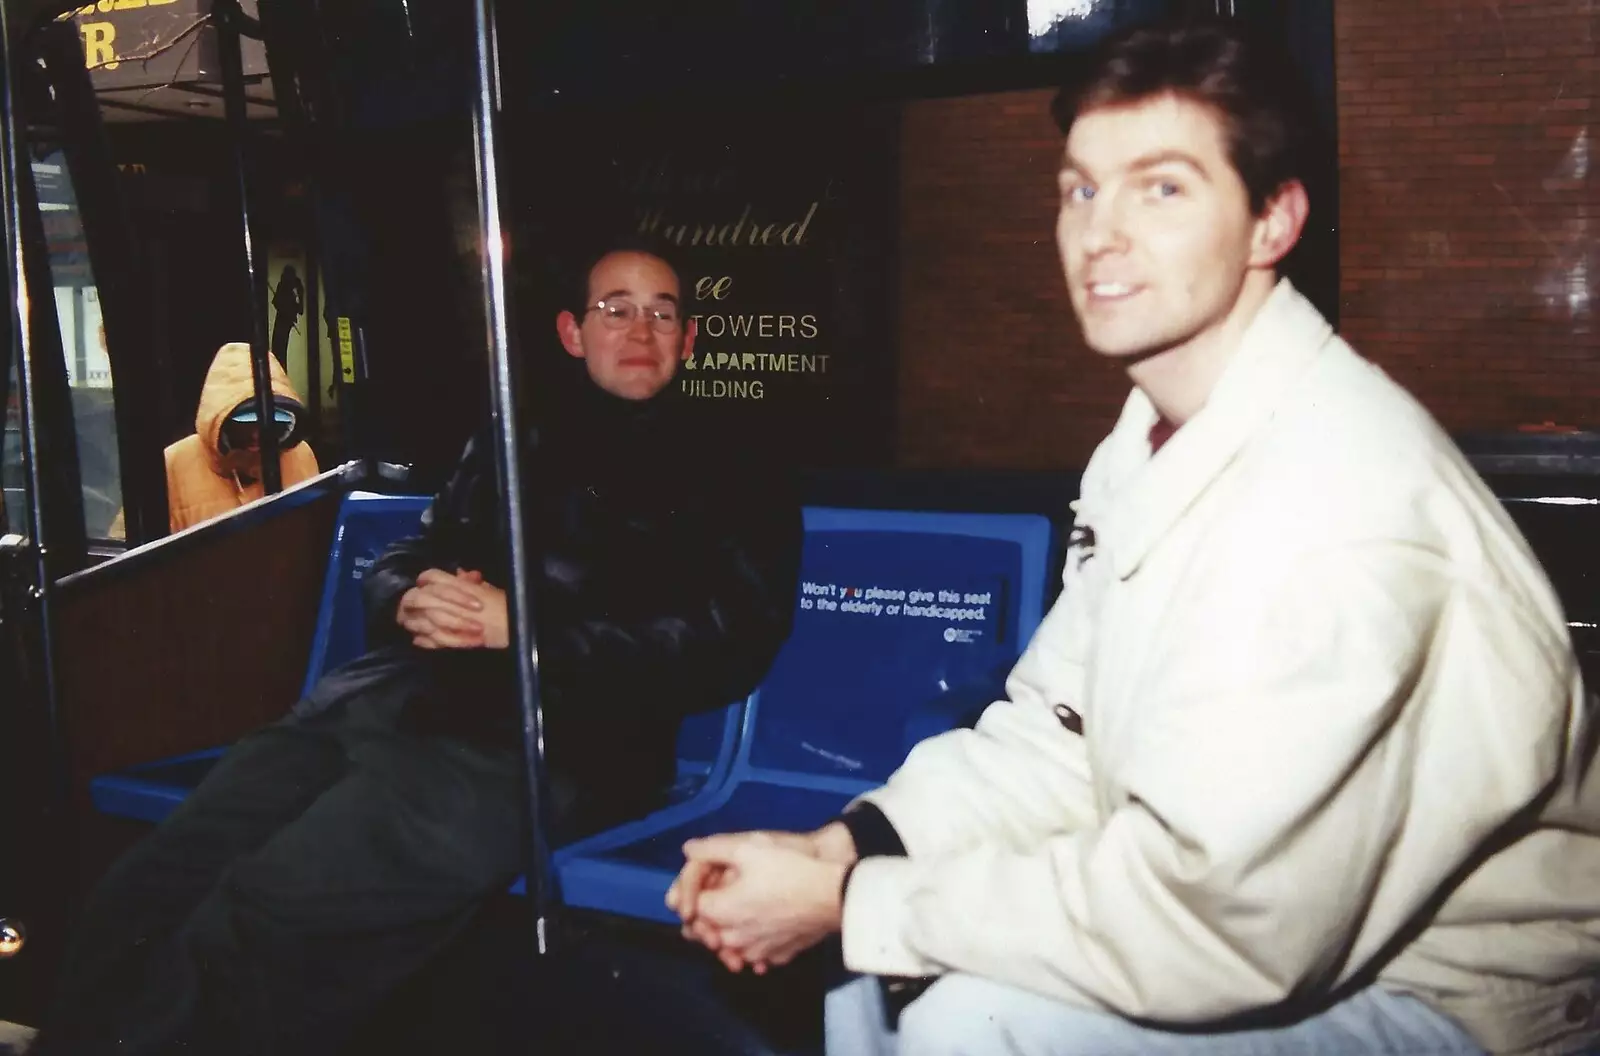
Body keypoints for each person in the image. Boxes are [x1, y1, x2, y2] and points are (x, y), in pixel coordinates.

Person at [668, 18, 1600, 1056]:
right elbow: (1056, 736)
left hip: (1460, 998)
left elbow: (1220, 929)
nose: (1100, 232)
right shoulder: (1159, 432)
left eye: (1161, 188)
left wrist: (855, 901)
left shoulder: (1335, 509)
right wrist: (840, 847)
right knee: (871, 988)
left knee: (970, 1024)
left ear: (1270, 222)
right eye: (1080, 188)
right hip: (1267, 935)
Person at [34, 237, 803, 1056]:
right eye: (616, 309)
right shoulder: (517, 438)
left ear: (689, 340)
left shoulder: (736, 468)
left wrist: (523, 631)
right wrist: (410, 598)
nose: (640, 330)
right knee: (149, 885)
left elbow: (730, 639)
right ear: (573, 332)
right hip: (383, 701)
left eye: (662, 313)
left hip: (549, 740)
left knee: (272, 914)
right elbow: (408, 553)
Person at [109, 340, 322, 539]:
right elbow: (124, 553)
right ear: (220, 421)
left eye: (269, 424)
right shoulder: (171, 465)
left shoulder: (300, 456)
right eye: (244, 425)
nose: (256, 435)